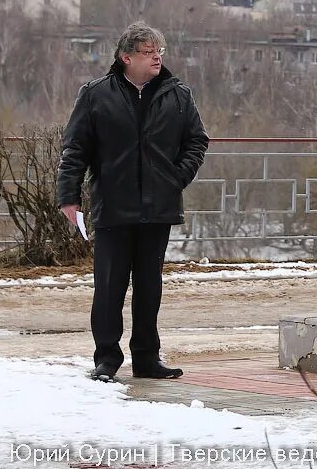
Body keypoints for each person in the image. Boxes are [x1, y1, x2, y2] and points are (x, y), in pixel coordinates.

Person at [56, 21, 210, 382]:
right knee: (109, 287)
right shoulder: (95, 94)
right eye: (147, 52)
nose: (157, 57)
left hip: (158, 207)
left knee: (149, 287)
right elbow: (76, 147)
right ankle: (107, 359)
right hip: (113, 205)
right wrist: (68, 195)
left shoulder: (179, 95)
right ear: (126, 57)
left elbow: (197, 140)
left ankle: (146, 358)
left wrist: (177, 177)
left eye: (160, 51)